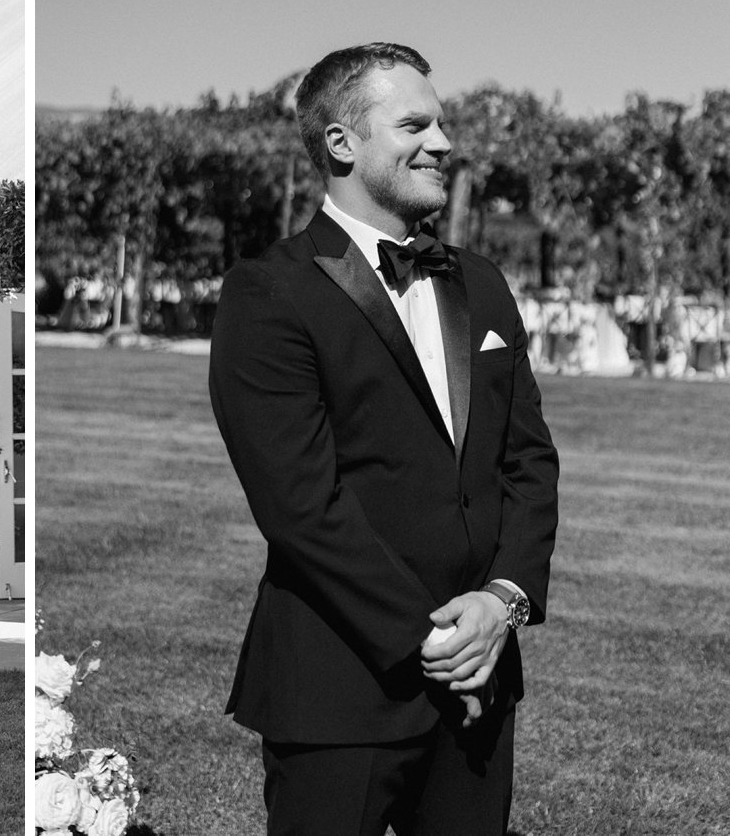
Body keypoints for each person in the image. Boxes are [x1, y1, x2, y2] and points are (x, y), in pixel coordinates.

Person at [208, 42, 559, 835]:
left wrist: (502, 605)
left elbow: (528, 463)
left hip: (483, 684)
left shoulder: (483, 282)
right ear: (341, 143)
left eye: (442, 122)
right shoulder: (269, 293)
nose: (443, 142)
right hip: (339, 690)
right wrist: (438, 642)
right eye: (414, 124)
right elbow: (300, 504)